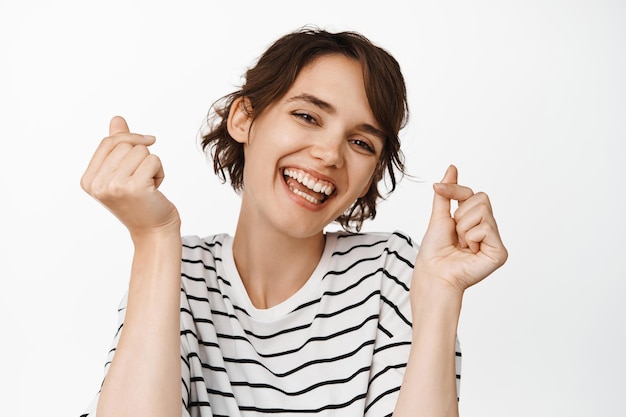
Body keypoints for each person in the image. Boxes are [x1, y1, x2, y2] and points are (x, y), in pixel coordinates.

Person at [80, 27, 507, 417]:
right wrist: (154, 238)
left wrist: (441, 297)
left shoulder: (398, 275)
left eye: (360, 142)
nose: (329, 154)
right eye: (307, 116)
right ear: (244, 118)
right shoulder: (176, 273)